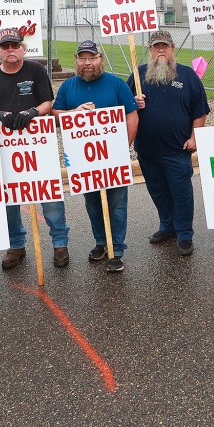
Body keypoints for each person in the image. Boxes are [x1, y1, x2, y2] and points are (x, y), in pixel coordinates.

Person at [0, 28, 69, 270]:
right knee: (8, 199)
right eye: (5, 46)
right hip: (4, 147)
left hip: (37, 144)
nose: (11, 50)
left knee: (49, 196)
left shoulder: (35, 70)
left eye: (15, 46)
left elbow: (48, 102)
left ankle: (60, 242)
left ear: (23, 48)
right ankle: (16, 245)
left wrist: (33, 112)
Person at [53, 40, 139, 273]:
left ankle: (117, 250)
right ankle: (102, 242)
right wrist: (73, 112)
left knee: (117, 204)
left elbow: (132, 115)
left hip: (114, 157)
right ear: (77, 60)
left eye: (92, 58)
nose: (88, 63)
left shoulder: (116, 84)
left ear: (100, 59)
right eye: (83, 58)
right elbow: (56, 113)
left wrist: (126, 145)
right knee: (92, 204)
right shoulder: (68, 86)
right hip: (84, 160)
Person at [128, 31, 210, 256]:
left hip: (177, 150)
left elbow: (200, 110)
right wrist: (133, 103)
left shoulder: (187, 75)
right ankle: (167, 226)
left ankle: (184, 234)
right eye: (156, 47)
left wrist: (195, 137)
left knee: (181, 193)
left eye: (165, 46)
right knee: (159, 192)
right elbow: (125, 110)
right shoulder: (138, 75)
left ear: (172, 48)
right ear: (150, 50)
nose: (161, 50)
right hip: (147, 149)